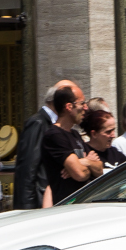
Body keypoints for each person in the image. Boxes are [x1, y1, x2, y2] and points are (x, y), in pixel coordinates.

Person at [14, 79, 84, 209]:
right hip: (41, 203)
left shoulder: (66, 130)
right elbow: (27, 169)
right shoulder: (38, 123)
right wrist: (27, 207)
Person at [41, 86, 101, 207]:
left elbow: (99, 169)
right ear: (69, 107)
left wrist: (83, 162)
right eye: (82, 103)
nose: (85, 107)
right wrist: (86, 163)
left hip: (85, 205)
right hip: (67, 207)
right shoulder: (54, 135)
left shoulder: (75, 135)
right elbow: (80, 174)